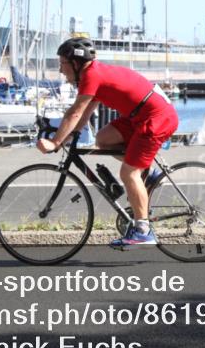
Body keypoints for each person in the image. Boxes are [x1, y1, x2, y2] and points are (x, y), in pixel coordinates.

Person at [37, 37, 179, 248]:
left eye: (62, 63)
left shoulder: (92, 75)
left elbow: (75, 112)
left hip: (155, 118)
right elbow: (84, 114)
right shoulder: (93, 74)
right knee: (103, 139)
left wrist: (56, 142)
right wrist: (69, 137)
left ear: (75, 64)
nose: (60, 69)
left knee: (128, 172)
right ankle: (149, 173)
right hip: (139, 116)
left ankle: (143, 230)